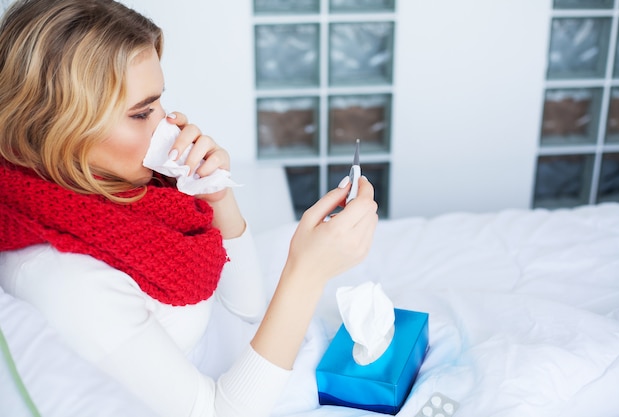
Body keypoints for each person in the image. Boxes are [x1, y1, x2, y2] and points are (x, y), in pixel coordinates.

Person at [0, 1, 378, 416]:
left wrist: (217, 197)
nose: (168, 126)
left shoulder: (130, 194)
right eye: (142, 113)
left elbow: (243, 311)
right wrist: (307, 274)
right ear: (53, 131)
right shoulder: (65, 283)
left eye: (159, 104)